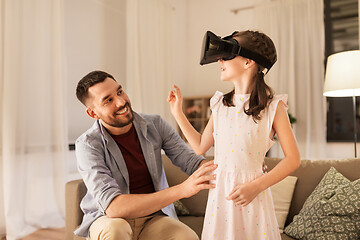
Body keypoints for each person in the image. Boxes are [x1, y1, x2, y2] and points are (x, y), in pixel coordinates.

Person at [168, 30, 300, 239]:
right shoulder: (220, 104)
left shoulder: (274, 107)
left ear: (248, 62)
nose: (220, 60)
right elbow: (201, 146)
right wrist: (178, 113)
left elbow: (293, 159)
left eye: (227, 55)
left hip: (253, 195)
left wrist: (256, 186)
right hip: (221, 197)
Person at [74, 70, 217, 240]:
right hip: (108, 219)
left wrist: (236, 166)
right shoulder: (87, 145)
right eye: (108, 100)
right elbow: (114, 208)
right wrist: (182, 190)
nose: (121, 102)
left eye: (119, 92)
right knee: (117, 229)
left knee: (186, 236)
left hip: (153, 218)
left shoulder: (154, 124)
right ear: (93, 113)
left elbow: (192, 162)